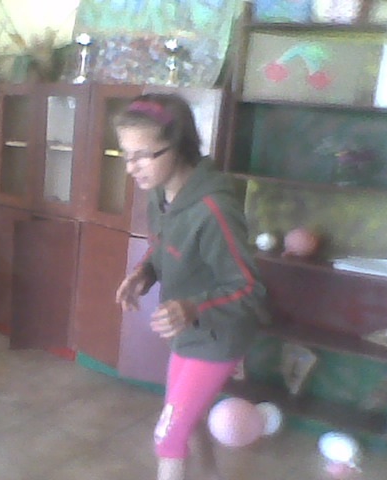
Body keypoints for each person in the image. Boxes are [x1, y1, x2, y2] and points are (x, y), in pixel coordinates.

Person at [114, 93, 269, 480]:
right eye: (126, 155)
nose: (131, 167)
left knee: (168, 436)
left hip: (218, 336)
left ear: (179, 146)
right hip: (188, 334)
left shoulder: (214, 209)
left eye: (142, 155)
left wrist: (192, 307)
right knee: (188, 417)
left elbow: (249, 288)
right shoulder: (160, 193)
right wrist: (143, 273)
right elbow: (164, 246)